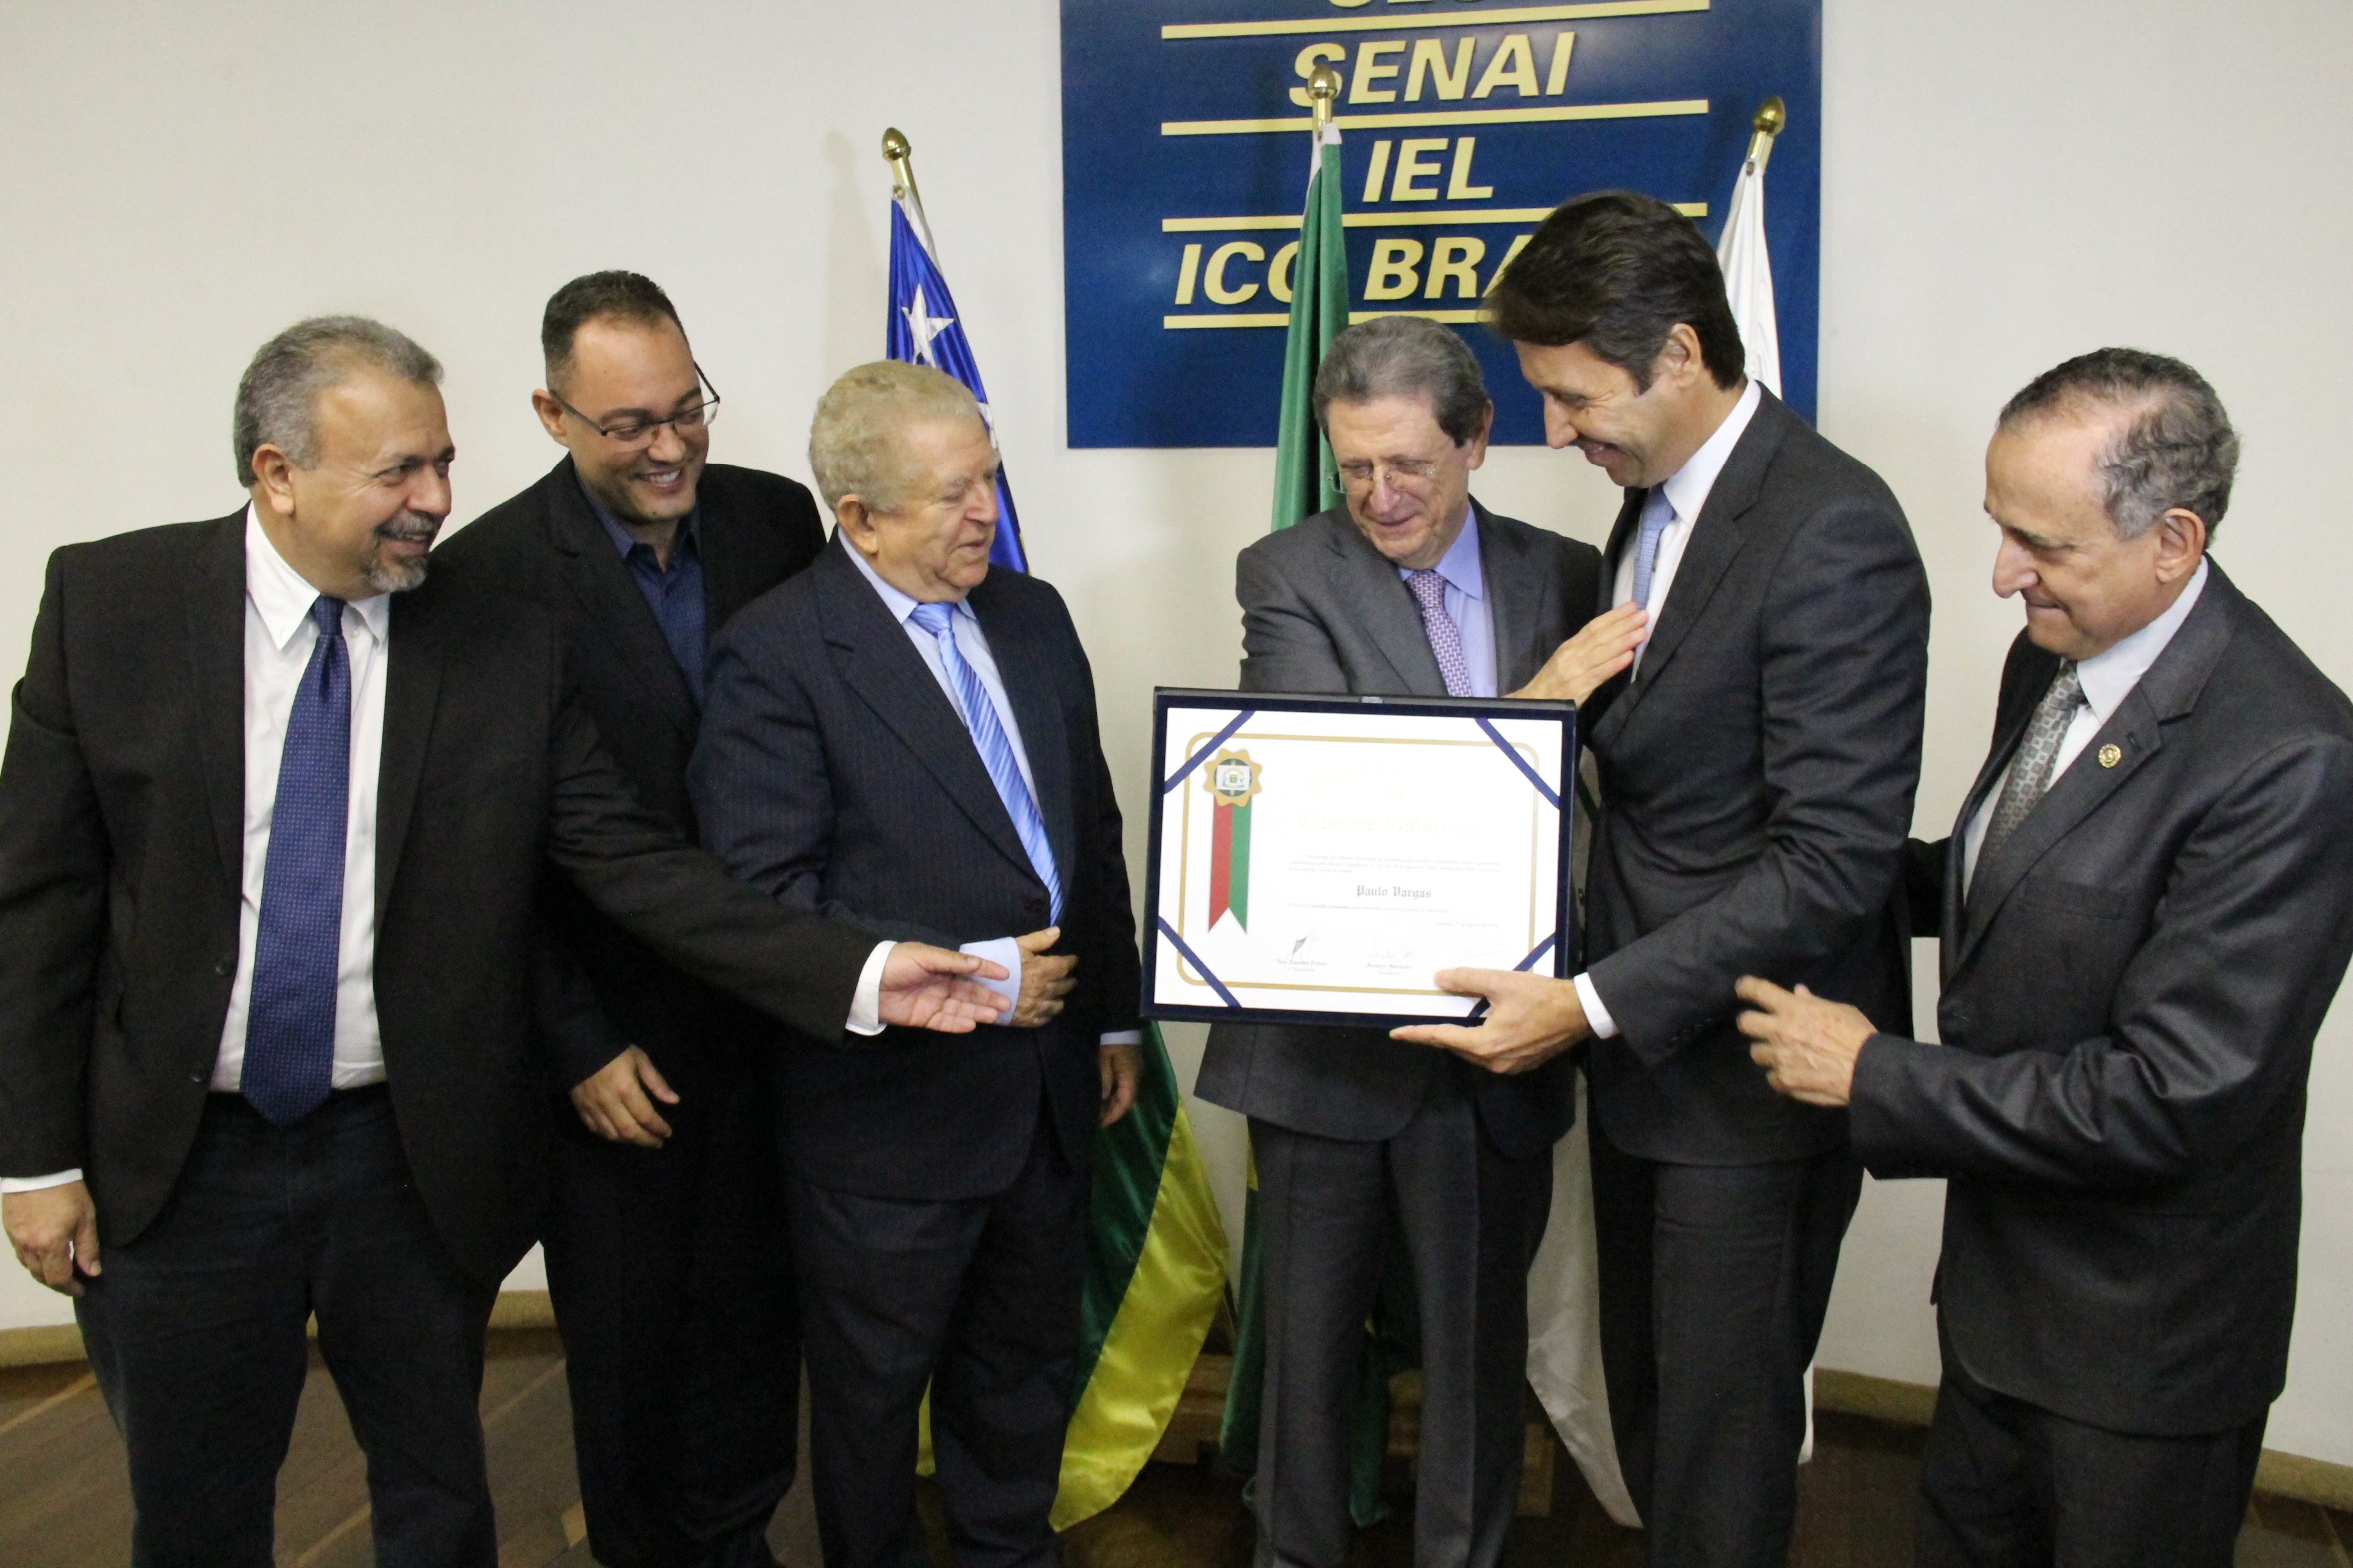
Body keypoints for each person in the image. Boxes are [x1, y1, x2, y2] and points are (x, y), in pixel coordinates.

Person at [0, 317, 1006, 1568]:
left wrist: (854, 968)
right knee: (198, 1511)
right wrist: (33, 1161)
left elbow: (631, 861)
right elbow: (39, 903)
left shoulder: (491, 633)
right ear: (277, 473)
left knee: (439, 1497)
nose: (435, 500)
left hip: (407, 1153)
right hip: (179, 1159)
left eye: (443, 462)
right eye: (398, 473)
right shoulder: (111, 607)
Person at [1738, 349, 2353, 1568]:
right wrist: (1815, 870)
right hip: (1995, 1313)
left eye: (2043, 544)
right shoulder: (2056, 656)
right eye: (2000, 527)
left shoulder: (2290, 757)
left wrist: (1873, 1073)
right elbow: (2015, 874)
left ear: (2174, 540)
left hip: (2141, 1356)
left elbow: (2172, 1093)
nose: (2002, 573)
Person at [1395, 191, 1932, 1568]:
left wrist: (1587, 1003)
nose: (1554, 432)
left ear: (1679, 355)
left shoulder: (1832, 529)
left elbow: (1830, 862)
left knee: (1716, 1454)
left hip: (1745, 1091)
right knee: (1653, 1426)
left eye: (1575, 398)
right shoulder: (1652, 501)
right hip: (1647, 1072)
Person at [1194, 314, 1634, 1568]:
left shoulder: (1567, 573)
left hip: (1498, 1038)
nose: (1378, 496)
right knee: (1306, 1358)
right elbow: (1330, 780)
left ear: (1477, 440)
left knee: (1476, 1358)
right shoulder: (1286, 571)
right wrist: (1542, 702)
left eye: (1408, 466)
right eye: (1354, 469)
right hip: (1321, 1050)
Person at [688, 360, 1141, 1568]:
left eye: (987, 477)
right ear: (861, 517)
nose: (986, 511)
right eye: (951, 494)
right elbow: (764, 899)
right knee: (874, 1402)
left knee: (1022, 1374)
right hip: (889, 1121)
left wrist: (1112, 1019)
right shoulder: (776, 654)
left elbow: (1089, 833)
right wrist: (975, 973)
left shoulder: (1033, 615)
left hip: (1048, 1094)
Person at [434, 270, 825, 1568]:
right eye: (629, 424)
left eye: (686, 408)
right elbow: (482, 856)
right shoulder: (484, 576)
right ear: (552, 416)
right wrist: (576, 1042)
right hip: (614, 1045)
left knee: (759, 1316)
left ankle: (737, 1538)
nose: (669, 446)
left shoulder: (775, 518)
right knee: (629, 1337)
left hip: (772, 1017)